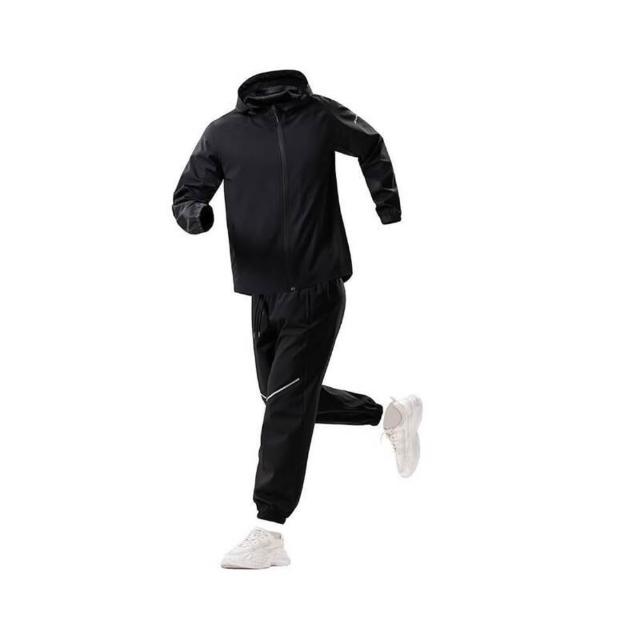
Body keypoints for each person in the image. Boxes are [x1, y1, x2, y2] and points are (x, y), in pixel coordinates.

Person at [173, 70, 422, 569]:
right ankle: (391, 415)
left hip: (317, 285)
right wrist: (197, 215)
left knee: (286, 405)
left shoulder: (319, 115)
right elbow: (186, 195)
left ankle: (270, 530)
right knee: (280, 396)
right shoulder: (222, 132)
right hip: (262, 292)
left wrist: (387, 206)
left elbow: (370, 143)